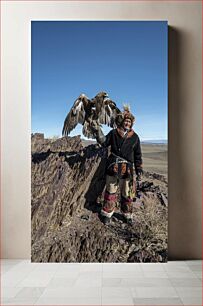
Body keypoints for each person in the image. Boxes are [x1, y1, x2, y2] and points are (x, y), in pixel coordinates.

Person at [93, 106, 143, 225]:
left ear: (131, 123)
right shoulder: (114, 133)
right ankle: (107, 213)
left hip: (128, 169)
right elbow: (104, 142)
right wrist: (97, 131)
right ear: (122, 121)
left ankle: (127, 215)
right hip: (113, 167)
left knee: (128, 192)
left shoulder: (135, 137)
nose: (127, 123)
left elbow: (138, 155)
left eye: (129, 121)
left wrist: (139, 169)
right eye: (126, 121)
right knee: (110, 190)